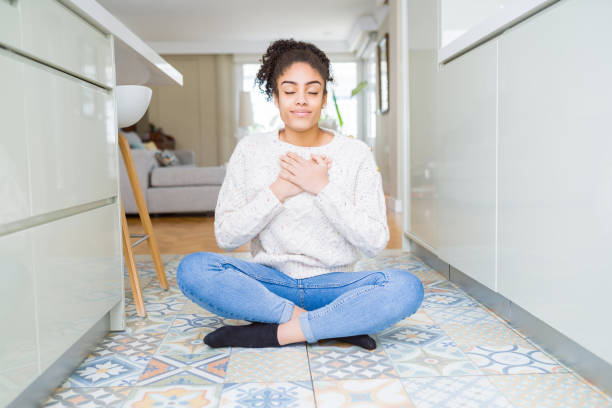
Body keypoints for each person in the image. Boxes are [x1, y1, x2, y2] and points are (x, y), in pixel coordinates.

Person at [177, 39, 424, 350]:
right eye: (290, 90)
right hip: (270, 283)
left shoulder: (354, 153)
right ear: (276, 96)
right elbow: (226, 236)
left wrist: (321, 186)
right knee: (193, 269)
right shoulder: (251, 150)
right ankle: (329, 324)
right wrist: (281, 189)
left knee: (406, 288)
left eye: (312, 90)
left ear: (324, 97)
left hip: (334, 284)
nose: (301, 101)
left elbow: (375, 242)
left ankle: (272, 333)